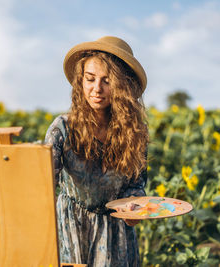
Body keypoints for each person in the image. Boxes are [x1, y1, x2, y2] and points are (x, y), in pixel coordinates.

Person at [45, 36, 149, 267]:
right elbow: (42, 187)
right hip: (72, 229)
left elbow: (136, 183)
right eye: (90, 79)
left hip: (117, 234)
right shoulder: (62, 128)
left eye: (107, 81)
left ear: (123, 86)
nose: (97, 89)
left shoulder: (135, 132)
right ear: (80, 81)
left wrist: (134, 207)